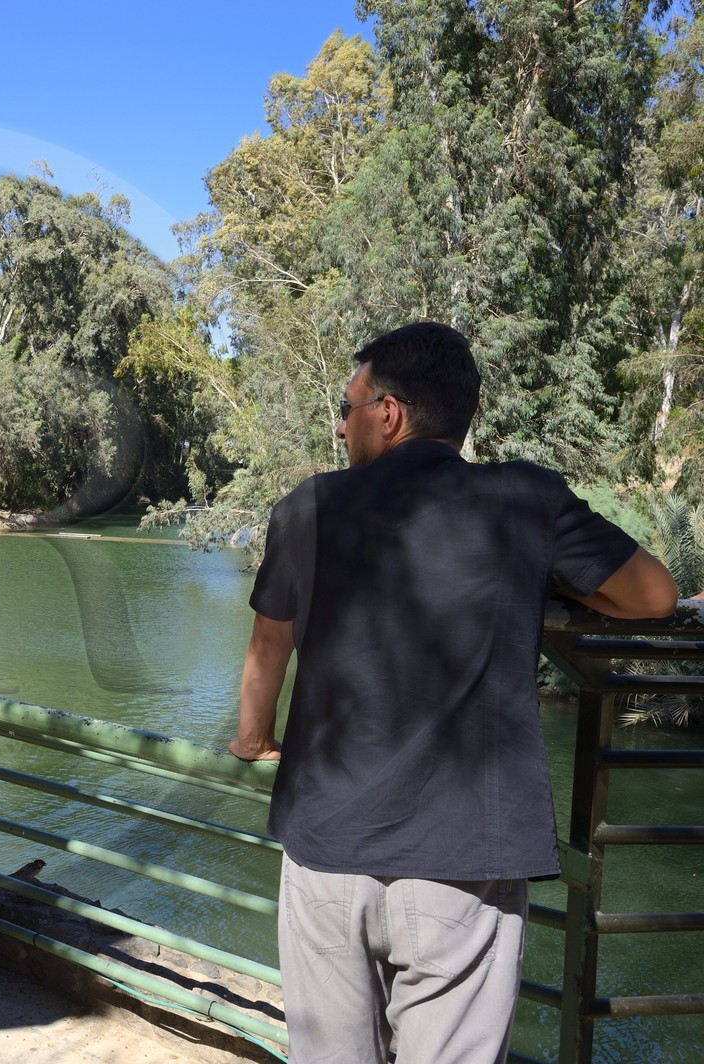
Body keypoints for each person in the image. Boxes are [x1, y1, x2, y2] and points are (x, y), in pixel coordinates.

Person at [227, 322, 678, 1063]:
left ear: (390, 413)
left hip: (324, 852)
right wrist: (550, 579)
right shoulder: (520, 500)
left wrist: (254, 742)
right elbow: (654, 595)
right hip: (464, 867)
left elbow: (266, 652)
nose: (340, 426)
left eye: (348, 408)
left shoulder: (305, 509)